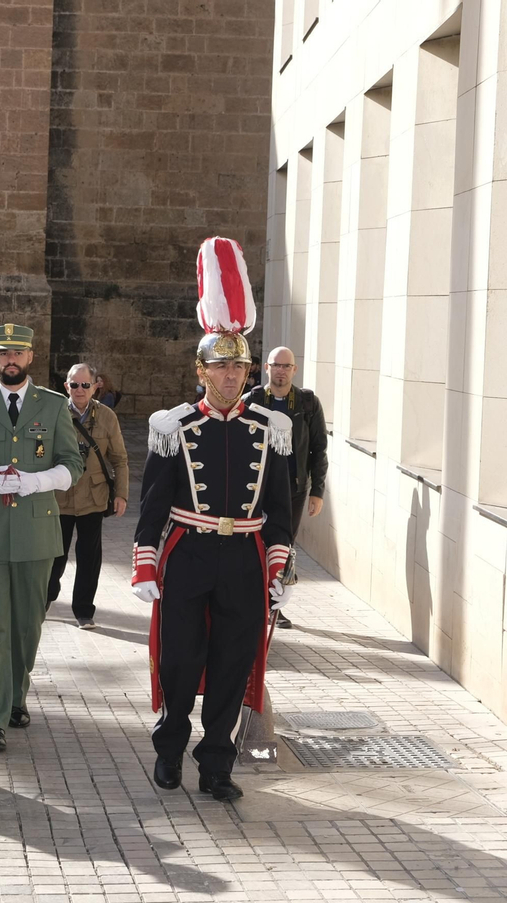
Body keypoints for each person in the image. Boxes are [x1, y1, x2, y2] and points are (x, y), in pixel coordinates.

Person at [133, 236, 294, 802]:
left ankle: (217, 764)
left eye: (239, 366)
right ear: (201, 371)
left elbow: (280, 507)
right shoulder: (174, 427)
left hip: (244, 560)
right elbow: (152, 502)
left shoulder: (269, 428)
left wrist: (278, 566)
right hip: (189, 553)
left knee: (232, 662)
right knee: (180, 659)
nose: (232, 375)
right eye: (221, 366)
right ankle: (170, 750)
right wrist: (146, 564)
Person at [0, 323, 82, 753]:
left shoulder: (54, 405)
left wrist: (33, 482)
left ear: (29, 357)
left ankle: (15, 697)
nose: (10, 359)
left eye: (17, 353)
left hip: (37, 532)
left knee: (27, 625)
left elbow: (71, 465)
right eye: (2, 352)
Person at [44, 363, 130, 629]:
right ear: (65, 386)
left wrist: (122, 495)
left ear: (96, 386)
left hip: (94, 497)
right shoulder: (51, 414)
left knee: (89, 557)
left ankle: (84, 611)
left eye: (85, 385)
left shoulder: (106, 417)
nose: (79, 390)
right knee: (53, 555)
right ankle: (44, 601)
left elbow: (120, 459)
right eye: (74, 384)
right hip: (59, 497)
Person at [244, 347, 328, 542]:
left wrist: (317, 491)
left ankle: (283, 573)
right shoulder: (251, 401)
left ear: (294, 369)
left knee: (285, 542)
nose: (281, 370)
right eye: (276, 365)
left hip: (294, 488)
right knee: (254, 541)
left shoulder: (308, 404)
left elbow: (319, 448)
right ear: (266, 367)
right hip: (257, 485)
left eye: (286, 366)